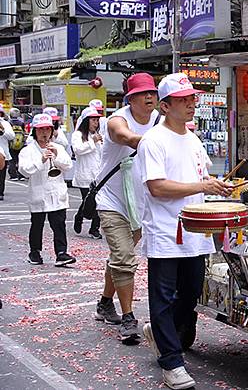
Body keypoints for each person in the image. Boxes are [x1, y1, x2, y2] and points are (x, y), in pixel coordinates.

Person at [138, 73, 233, 389]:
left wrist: (220, 187)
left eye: (192, 98)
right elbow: (157, 187)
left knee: (191, 293)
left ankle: (162, 332)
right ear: (165, 106)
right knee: (163, 297)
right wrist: (203, 185)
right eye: (183, 99)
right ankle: (172, 363)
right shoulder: (153, 141)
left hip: (196, 230)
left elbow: (200, 179)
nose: (192, 103)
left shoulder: (193, 139)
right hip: (166, 231)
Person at [94, 73, 160, 343]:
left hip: (141, 205)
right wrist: (154, 142)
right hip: (112, 202)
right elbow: (124, 136)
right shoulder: (117, 120)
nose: (148, 98)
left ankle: (104, 303)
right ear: (129, 99)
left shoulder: (159, 121)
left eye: (152, 93)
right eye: (142, 94)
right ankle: (129, 318)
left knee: (120, 257)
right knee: (124, 257)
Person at [18, 113, 76, 266]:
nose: (44, 133)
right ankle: (35, 252)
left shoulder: (58, 147)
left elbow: (68, 166)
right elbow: (24, 170)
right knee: (37, 224)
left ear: (52, 130)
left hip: (57, 192)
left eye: (47, 129)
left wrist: (55, 156)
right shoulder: (28, 150)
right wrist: (41, 160)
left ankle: (61, 252)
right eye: (40, 129)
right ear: (35, 131)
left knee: (59, 223)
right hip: (38, 192)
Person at [72, 107, 104, 240]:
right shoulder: (78, 135)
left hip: (98, 175)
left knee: (100, 202)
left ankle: (94, 228)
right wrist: (93, 142)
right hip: (85, 174)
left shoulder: (97, 135)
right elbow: (78, 150)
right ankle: (79, 216)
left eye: (97, 120)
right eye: (93, 120)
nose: (96, 123)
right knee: (88, 201)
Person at [0, 108, 15, 201]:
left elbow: (11, 136)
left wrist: (3, 130)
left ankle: (0, 192)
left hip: (3, 153)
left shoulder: (5, 123)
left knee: (1, 175)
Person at [7, 108, 25, 180]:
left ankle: (13, 175)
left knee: (12, 159)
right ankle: (21, 175)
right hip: (21, 143)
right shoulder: (21, 123)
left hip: (11, 143)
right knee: (20, 159)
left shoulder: (9, 122)